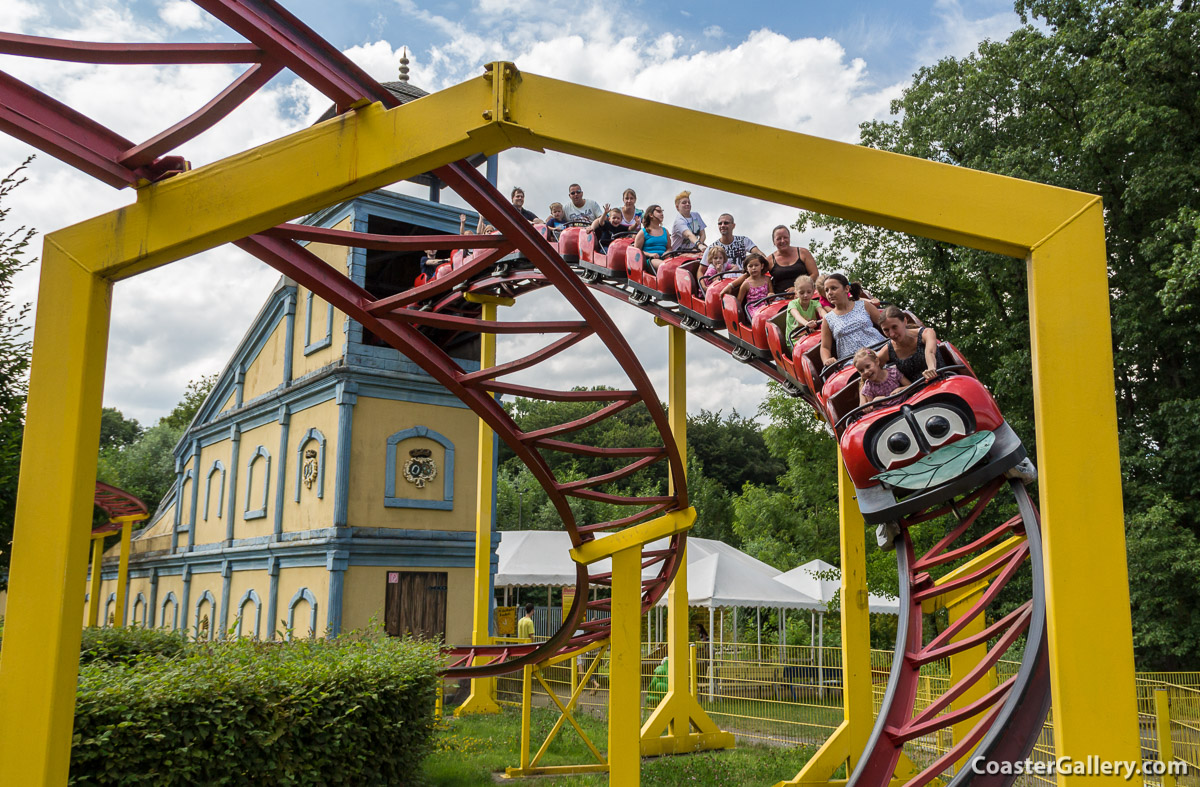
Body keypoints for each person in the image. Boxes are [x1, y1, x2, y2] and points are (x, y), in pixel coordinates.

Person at [820, 272, 885, 366]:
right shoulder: (828, 319)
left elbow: (884, 323)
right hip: (852, 362)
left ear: (846, 289)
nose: (829, 293)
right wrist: (827, 360)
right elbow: (825, 347)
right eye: (826, 290)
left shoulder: (864, 305)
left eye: (833, 288)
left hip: (878, 350)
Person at [877, 305, 940, 381]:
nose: (892, 334)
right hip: (917, 390)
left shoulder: (926, 333)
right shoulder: (887, 350)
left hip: (941, 381)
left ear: (905, 321)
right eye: (886, 330)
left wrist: (931, 368)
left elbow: (930, 352)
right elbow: (869, 372)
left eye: (894, 327)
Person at [767, 225, 819, 294]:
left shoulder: (803, 253)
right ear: (774, 242)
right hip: (780, 300)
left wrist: (798, 288)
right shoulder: (769, 260)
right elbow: (759, 278)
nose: (783, 241)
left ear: (789, 238)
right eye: (779, 239)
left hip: (806, 296)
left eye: (785, 237)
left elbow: (815, 274)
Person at [722, 252, 772, 320]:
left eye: (756, 265)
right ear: (746, 268)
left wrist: (770, 295)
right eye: (750, 266)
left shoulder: (767, 279)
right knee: (761, 317)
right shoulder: (746, 284)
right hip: (753, 308)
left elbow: (771, 293)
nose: (754, 268)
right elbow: (739, 302)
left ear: (762, 266)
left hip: (766, 305)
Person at [785, 275, 825, 349]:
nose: (805, 295)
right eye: (802, 293)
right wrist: (806, 324)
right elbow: (797, 316)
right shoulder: (793, 304)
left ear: (813, 292)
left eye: (809, 292)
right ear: (796, 293)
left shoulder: (815, 303)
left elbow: (821, 311)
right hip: (795, 339)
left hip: (810, 335)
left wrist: (827, 317)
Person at [634, 204, 670, 270]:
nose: (662, 214)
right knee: (665, 266)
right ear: (651, 215)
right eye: (659, 211)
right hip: (651, 260)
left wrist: (667, 252)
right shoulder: (643, 232)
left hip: (665, 259)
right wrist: (650, 254)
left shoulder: (665, 231)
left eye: (662, 212)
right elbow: (636, 251)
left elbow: (669, 248)